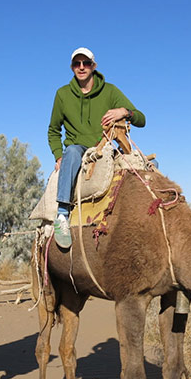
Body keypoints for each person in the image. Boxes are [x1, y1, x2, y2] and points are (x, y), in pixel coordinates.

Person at [47, 47, 146, 248]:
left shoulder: (110, 91)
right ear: (72, 67)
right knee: (72, 152)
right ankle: (62, 215)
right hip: (79, 149)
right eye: (77, 63)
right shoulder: (63, 94)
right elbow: (53, 130)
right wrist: (58, 156)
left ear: (94, 66)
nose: (81, 67)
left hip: (107, 147)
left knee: (145, 164)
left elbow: (141, 119)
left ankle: (145, 217)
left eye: (86, 63)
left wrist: (123, 111)